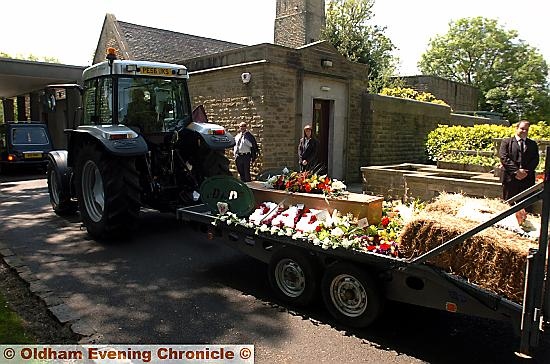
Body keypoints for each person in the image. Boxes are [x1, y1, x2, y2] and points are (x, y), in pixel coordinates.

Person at [499, 120, 539, 201]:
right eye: (522, 128)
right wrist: (517, 171)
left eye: (526, 130)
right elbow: (504, 157)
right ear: (516, 128)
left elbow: (535, 159)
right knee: (509, 205)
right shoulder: (506, 142)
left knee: (526, 205)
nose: (524, 131)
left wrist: (525, 172)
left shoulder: (532, 144)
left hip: (527, 179)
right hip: (510, 178)